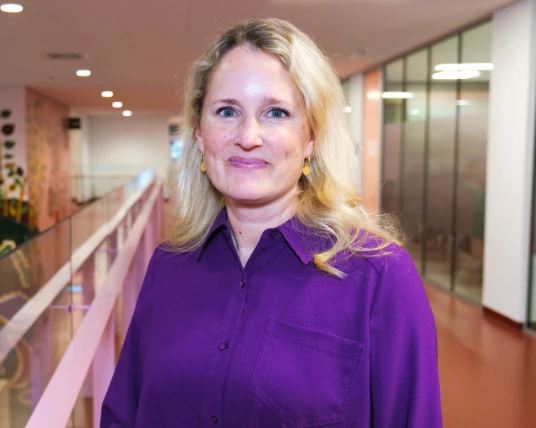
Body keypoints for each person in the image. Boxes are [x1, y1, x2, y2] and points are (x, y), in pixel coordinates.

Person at [101, 18, 442, 427]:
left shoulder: (379, 277)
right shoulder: (169, 266)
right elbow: (123, 413)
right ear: (199, 134)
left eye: (276, 112)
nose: (248, 136)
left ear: (311, 137)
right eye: (227, 111)